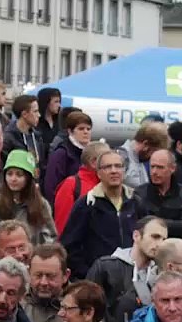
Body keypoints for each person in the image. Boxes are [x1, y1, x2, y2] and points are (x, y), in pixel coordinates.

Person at [86, 216, 168, 322]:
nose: (160, 244)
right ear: (136, 236)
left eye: (164, 239)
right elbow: (88, 308)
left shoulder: (161, 275)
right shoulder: (105, 267)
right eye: (155, 237)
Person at [61, 151, 137, 279]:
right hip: (98, 280)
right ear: (98, 173)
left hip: (131, 278)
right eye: (107, 167)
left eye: (118, 166)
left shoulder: (136, 201)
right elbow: (69, 245)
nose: (114, 171)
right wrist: (89, 274)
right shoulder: (87, 204)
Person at [0, 150, 56, 245]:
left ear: (28, 178)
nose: (13, 179)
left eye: (19, 175)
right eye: (10, 174)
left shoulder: (40, 204)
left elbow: (50, 236)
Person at [23, 243, 70, 322]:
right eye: (38, 275)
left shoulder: (82, 304)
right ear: (29, 273)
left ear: (65, 276)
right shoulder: (17, 305)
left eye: (50, 276)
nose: (44, 282)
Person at [133, 149, 182, 238]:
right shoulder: (139, 193)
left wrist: (156, 223)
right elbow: (137, 225)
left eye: (160, 167)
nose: (154, 172)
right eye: (152, 167)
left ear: (172, 168)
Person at [52, 139, 107, 236]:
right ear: (94, 162)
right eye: (106, 160)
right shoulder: (71, 185)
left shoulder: (107, 185)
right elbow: (62, 226)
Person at [43, 111, 93, 201]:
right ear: (70, 131)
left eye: (88, 129)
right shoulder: (61, 153)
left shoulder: (93, 153)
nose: (86, 132)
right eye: (81, 129)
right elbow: (51, 187)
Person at [118, 123, 169, 190]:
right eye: (155, 151)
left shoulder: (139, 160)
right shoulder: (121, 158)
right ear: (145, 144)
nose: (154, 156)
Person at [2, 94, 44, 169]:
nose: (39, 115)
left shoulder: (37, 136)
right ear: (24, 114)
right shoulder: (8, 138)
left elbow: (41, 163)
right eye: (35, 111)